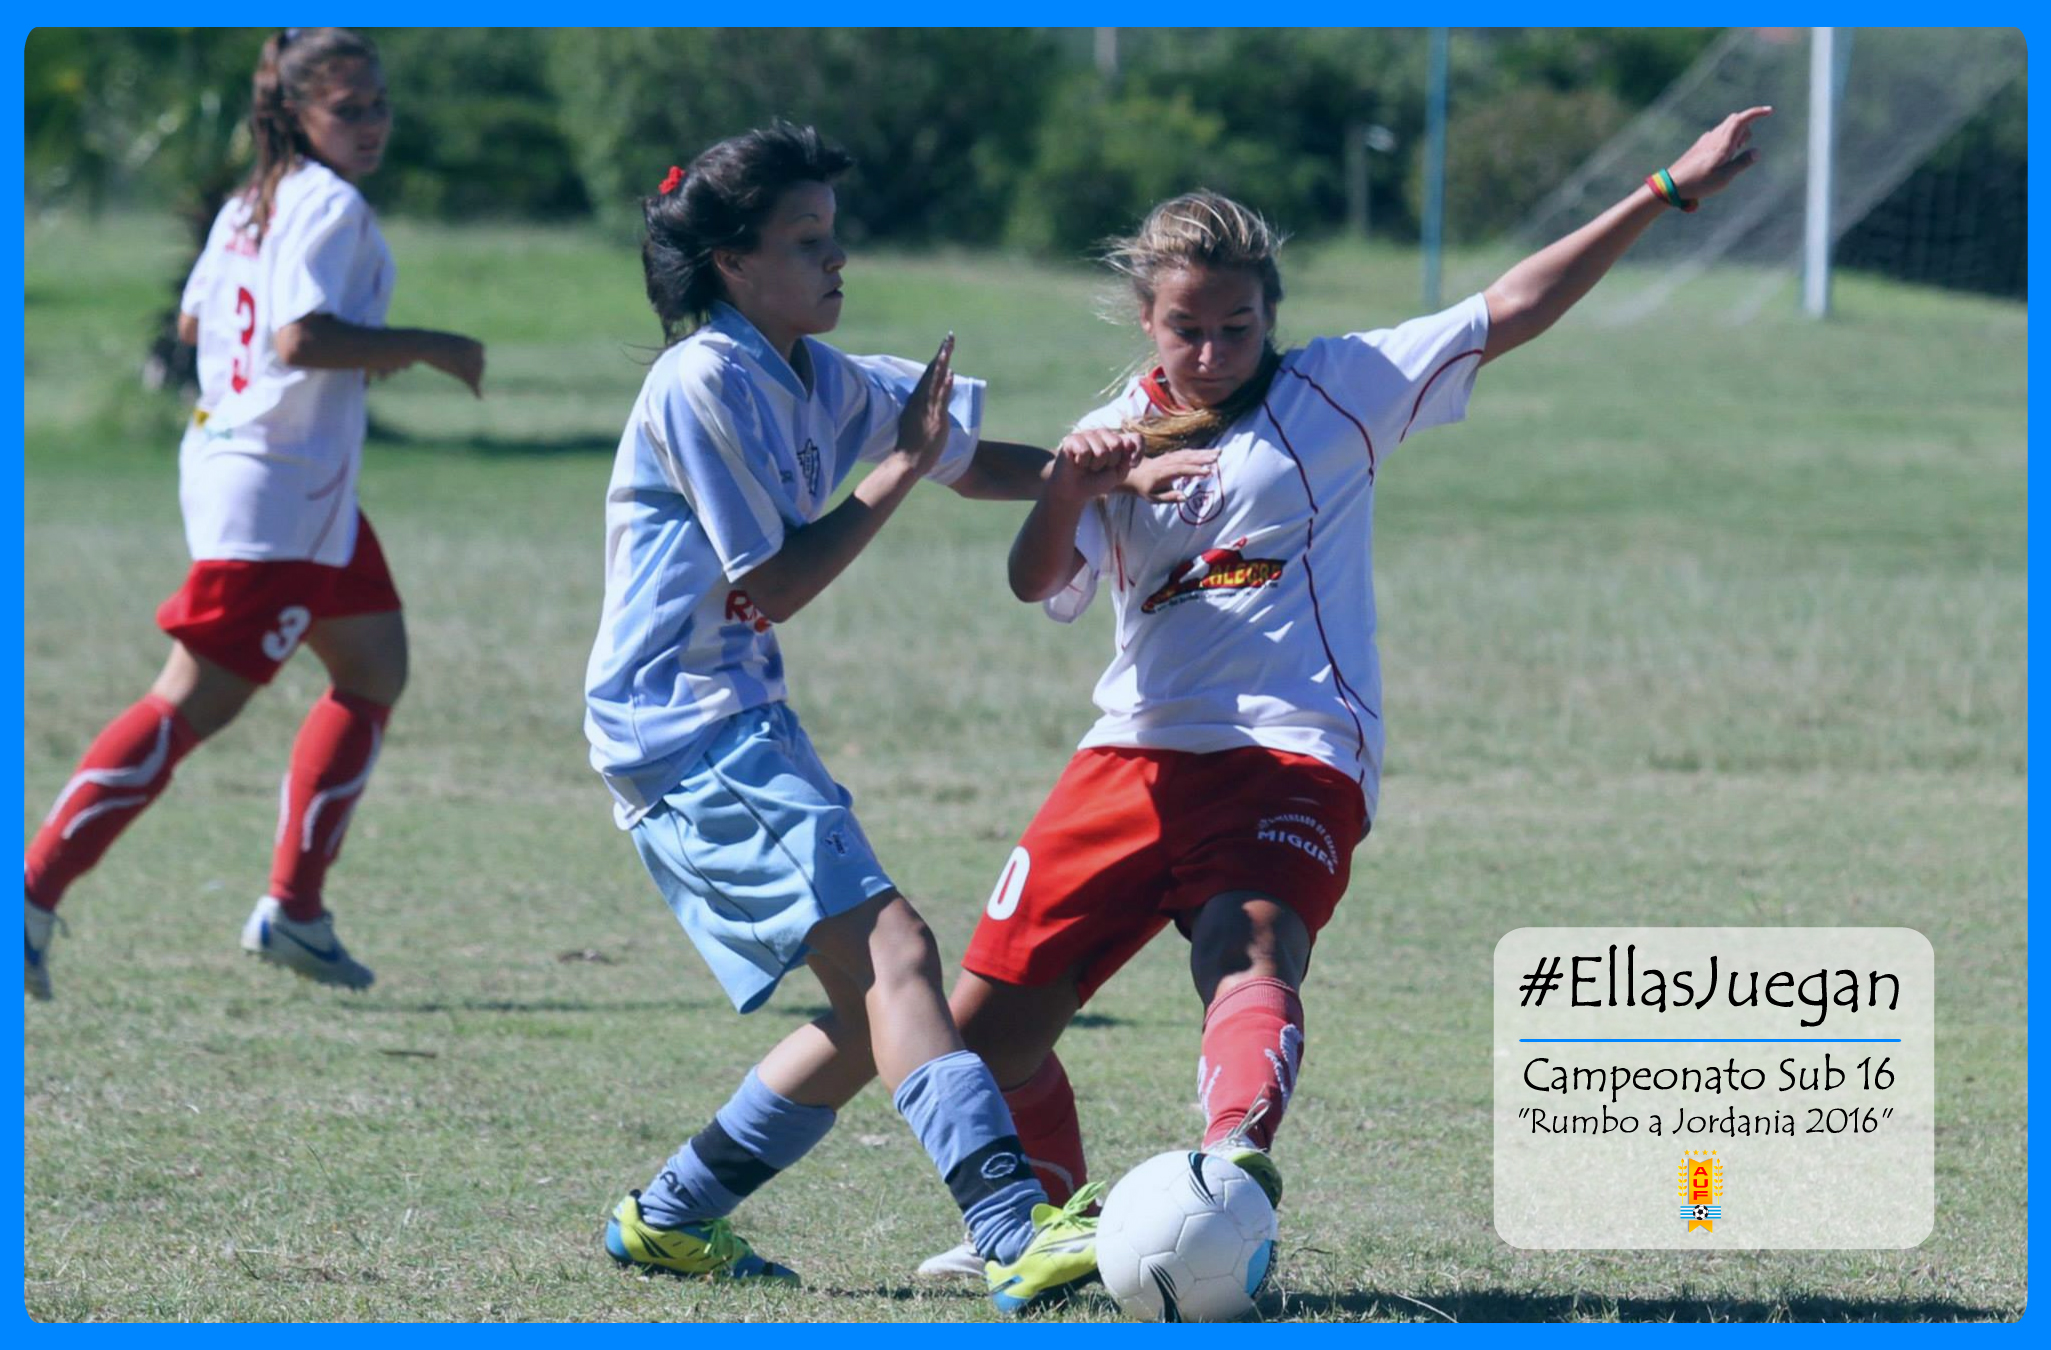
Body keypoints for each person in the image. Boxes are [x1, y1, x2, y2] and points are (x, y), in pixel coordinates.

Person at [916, 108, 1773, 1278]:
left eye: (1236, 324)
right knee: (980, 1040)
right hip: (1132, 756)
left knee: (1248, 944)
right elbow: (1032, 580)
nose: (1212, 350)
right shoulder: (1110, 433)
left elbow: (1510, 304)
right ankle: (1049, 1227)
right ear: (1144, 319)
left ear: (1271, 311)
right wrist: (1071, 486)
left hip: (1292, 746)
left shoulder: (1339, 390)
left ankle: (1230, 1165)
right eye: (1187, 329)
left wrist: (1663, 189)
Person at [582, 123, 1206, 1310]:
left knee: (878, 1016)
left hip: (733, 719)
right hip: (679, 725)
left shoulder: (820, 375)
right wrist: (897, 467)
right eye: (806, 240)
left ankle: (668, 1218)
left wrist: (1110, 473)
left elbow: (969, 462)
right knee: (898, 958)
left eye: (835, 236)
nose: (837, 260)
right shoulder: (701, 380)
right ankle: (1011, 1226)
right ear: (731, 261)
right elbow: (769, 582)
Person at [23, 28, 487, 1000]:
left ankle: (295, 912)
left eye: (378, 104)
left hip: (272, 478)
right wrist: (432, 343)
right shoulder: (330, 206)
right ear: (295, 113)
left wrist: (349, 350)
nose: (370, 124)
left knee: (372, 663)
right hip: (279, 492)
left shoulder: (250, 203)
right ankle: (28, 895)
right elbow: (300, 335)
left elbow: (200, 324)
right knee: (190, 702)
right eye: (346, 108)